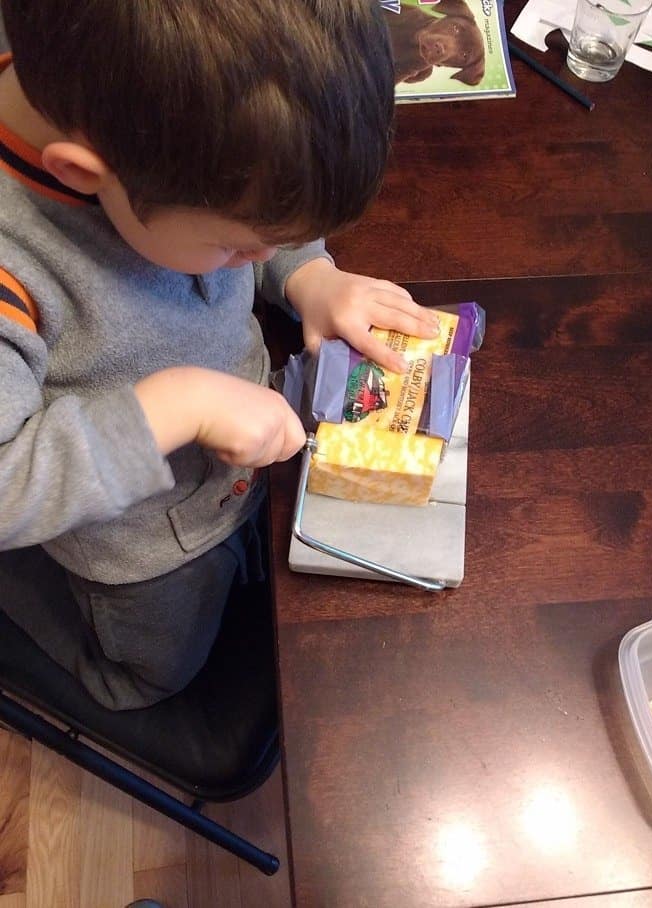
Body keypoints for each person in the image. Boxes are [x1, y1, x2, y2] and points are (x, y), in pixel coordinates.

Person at [0, 0, 440, 710]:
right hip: (140, 551)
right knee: (158, 669)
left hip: (228, 480)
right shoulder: (15, 261)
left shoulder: (161, 130)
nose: (251, 260)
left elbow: (242, 186)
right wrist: (174, 409)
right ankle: (90, 656)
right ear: (83, 174)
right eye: (239, 248)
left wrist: (308, 273)